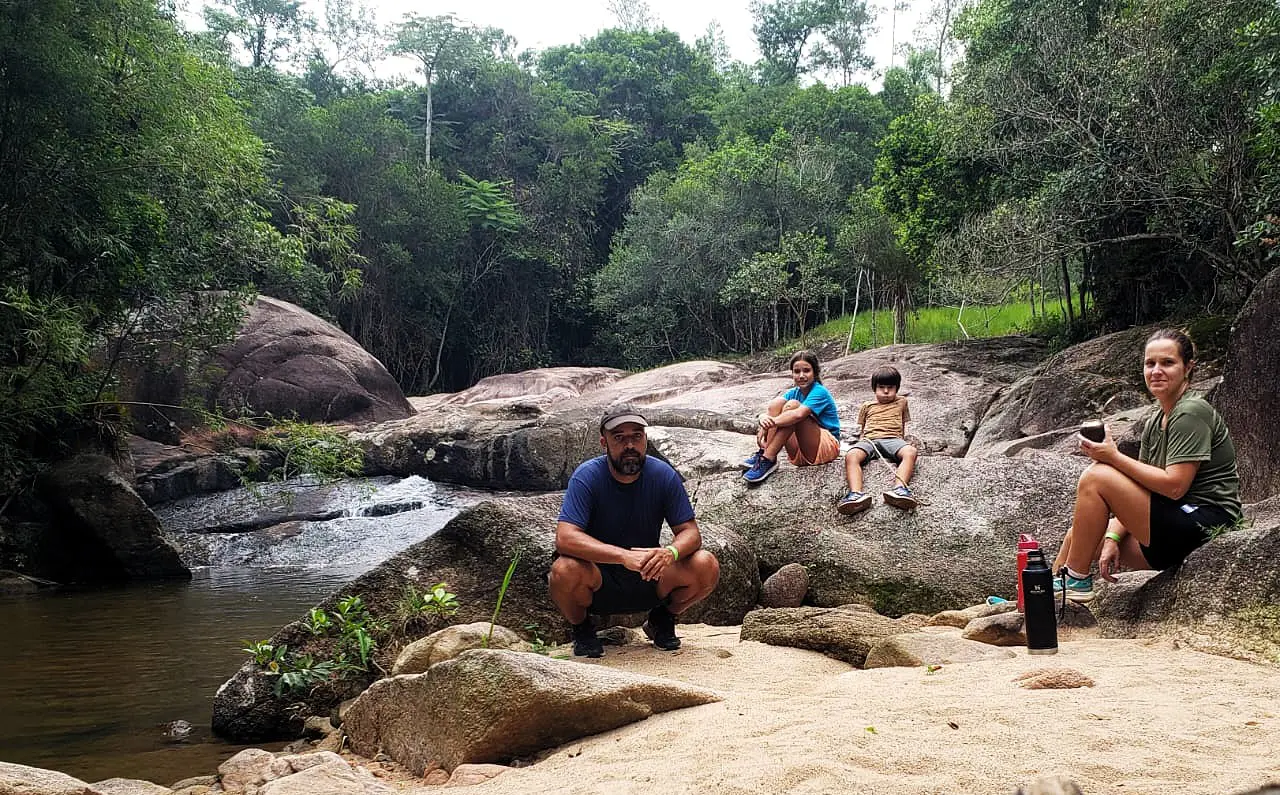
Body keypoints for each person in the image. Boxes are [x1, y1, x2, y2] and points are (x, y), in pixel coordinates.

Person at [1052, 328, 1241, 602]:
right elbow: (1142, 487)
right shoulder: (1156, 420)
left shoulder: (1191, 412)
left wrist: (1113, 457)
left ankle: (1076, 581)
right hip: (1173, 526)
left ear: (1188, 368)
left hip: (1202, 524)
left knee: (1096, 476)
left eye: (1168, 363)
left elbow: (1175, 486)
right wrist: (1113, 538)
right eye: (1150, 363)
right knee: (1079, 536)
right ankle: (1042, 598)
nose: (1156, 371)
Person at [548, 405, 721, 658]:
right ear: (604, 443)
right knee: (563, 570)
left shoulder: (662, 475)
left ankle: (662, 619)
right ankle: (582, 629)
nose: (630, 445)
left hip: (649, 574)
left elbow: (691, 533)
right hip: (599, 578)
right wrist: (622, 556)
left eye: (636, 436)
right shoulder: (587, 476)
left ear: (645, 439)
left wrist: (670, 553)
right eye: (619, 437)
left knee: (706, 564)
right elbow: (565, 538)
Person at [742, 350, 842, 484]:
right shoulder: (794, 392)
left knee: (793, 407)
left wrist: (771, 422)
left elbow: (797, 415)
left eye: (806, 371)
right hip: (800, 452)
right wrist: (763, 419)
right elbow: (772, 409)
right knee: (777, 404)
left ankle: (768, 458)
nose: (801, 376)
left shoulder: (820, 392)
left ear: (815, 372)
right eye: (796, 371)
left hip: (826, 448)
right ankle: (765, 453)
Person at [837, 365, 919, 514]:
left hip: (893, 439)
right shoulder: (867, 406)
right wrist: (860, 445)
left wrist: (902, 443)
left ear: (897, 388)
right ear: (874, 388)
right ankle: (856, 494)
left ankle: (900, 489)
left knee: (910, 452)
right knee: (851, 455)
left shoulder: (902, 402)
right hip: (870, 440)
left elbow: (902, 423)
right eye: (881, 387)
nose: (886, 391)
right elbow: (863, 429)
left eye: (890, 387)